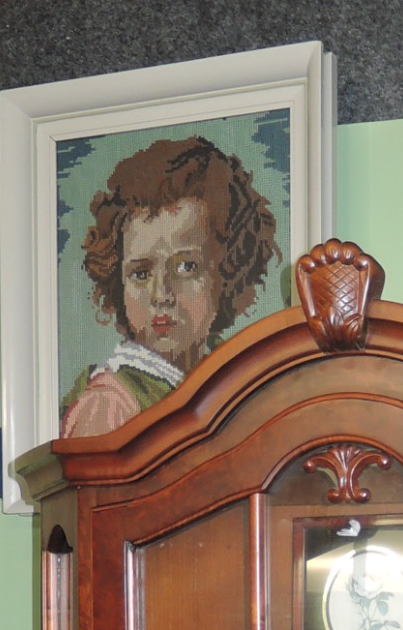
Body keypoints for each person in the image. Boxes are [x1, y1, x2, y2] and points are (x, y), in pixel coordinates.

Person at [61, 135, 279, 438]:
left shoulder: (233, 380)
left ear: (228, 270)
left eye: (186, 267)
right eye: (140, 274)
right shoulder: (109, 406)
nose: (161, 295)